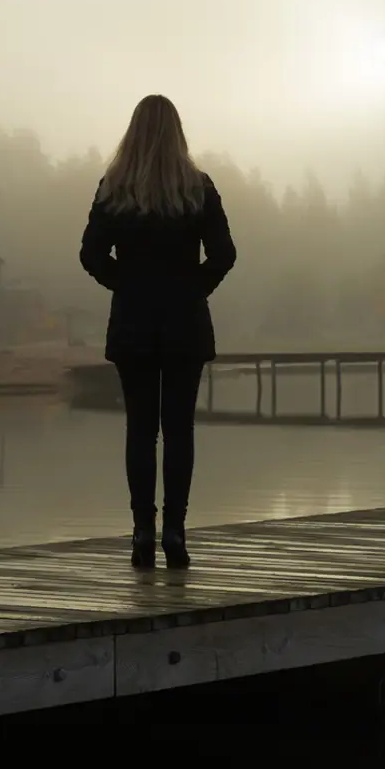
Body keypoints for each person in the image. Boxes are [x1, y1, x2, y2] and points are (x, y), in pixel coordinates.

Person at [79, 95, 237, 569]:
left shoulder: (115, 188)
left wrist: (125, 286)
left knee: (141, 430)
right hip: (185, 323)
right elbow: (225, 254)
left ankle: (141, 533)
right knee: (180, 430)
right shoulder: (198, 186)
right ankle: (176, 533)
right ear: (177, 132)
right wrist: (194, 290)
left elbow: (90, 254)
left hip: (133, 324)